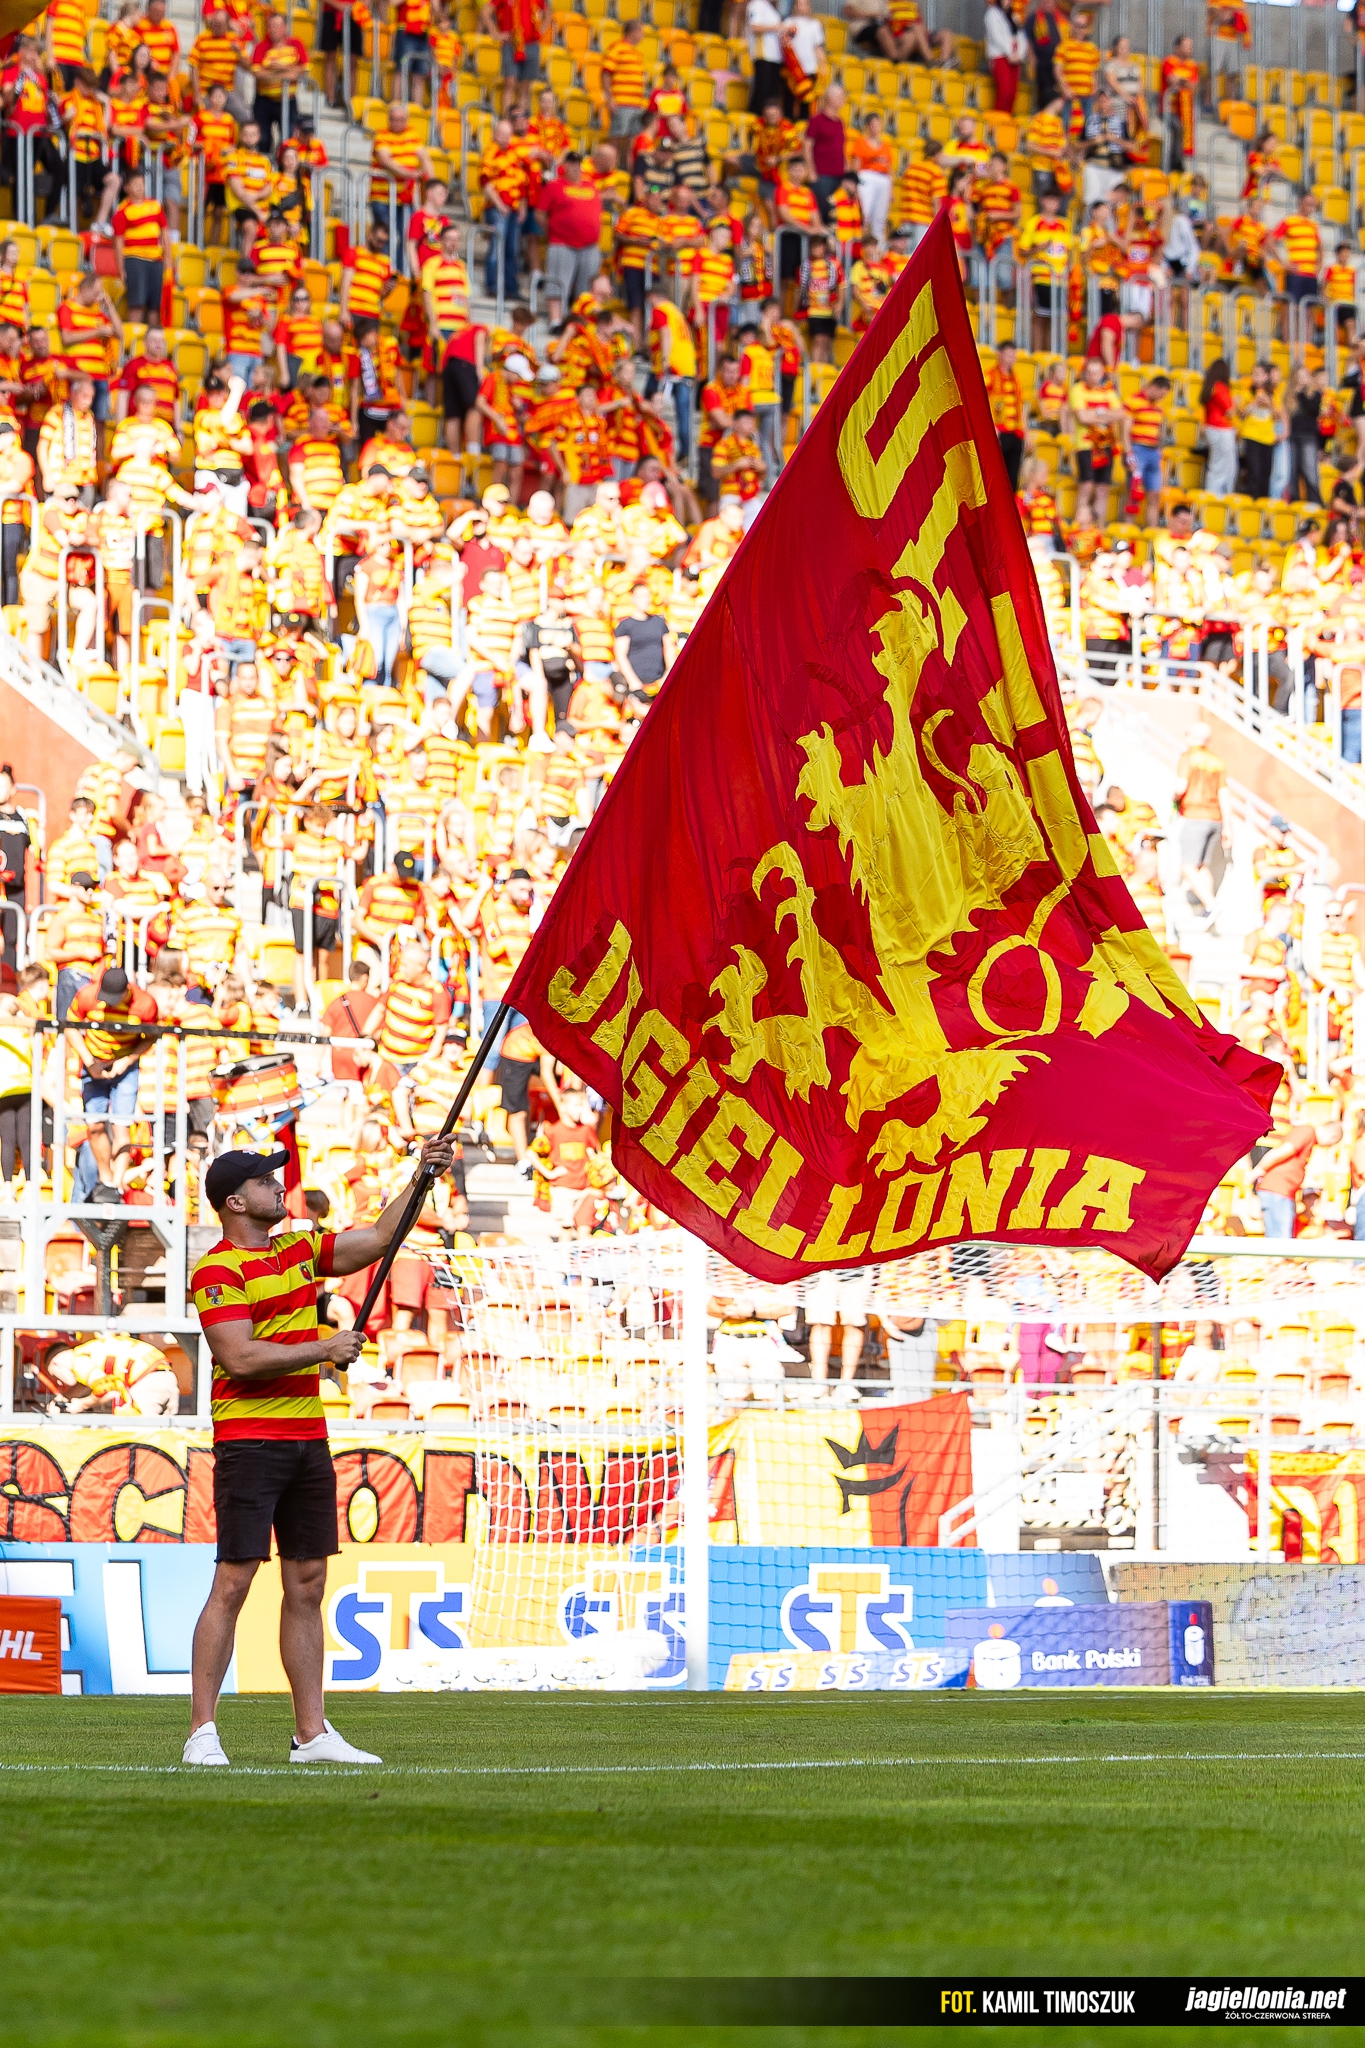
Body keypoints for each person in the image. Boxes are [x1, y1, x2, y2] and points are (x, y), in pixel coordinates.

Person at [184, 1134, 454, 1767]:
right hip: (248, 1441)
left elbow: (381, 1237)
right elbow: (238, 1357)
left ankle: (311, 1734)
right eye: (263, 1181)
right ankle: (202, 1731)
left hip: (308, 1438)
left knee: (307, 1583)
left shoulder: (299, 1247)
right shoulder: (216, 1270)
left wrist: (421, 1175)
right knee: (233, 1581)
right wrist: (324, 1349)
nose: (278, 1185)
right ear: (234, 1202)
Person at [1173, 720, 1228, 919]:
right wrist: (1227, 826)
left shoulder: (1188, 757)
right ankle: (1208, 908)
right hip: (1216, 818)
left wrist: (1174, 799)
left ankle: (1211, 904)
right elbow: (1224, 794)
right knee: (1203, 866)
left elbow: (1180, 787)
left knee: (1188, 867)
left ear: (1192, 737)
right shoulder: (1217, 762)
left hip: (1195, 816)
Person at [1254, 1120, 1342, 1240]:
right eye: (1331, 1145)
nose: (1327, 1147)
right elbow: (1283, 1151)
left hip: (1281, 1191)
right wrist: (1258, 1170)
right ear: (1333, 1137)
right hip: (1278, 1189)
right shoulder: (1308, 1131)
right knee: (1281, 1239)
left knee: (1276, 1237)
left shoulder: (1309, 1135)